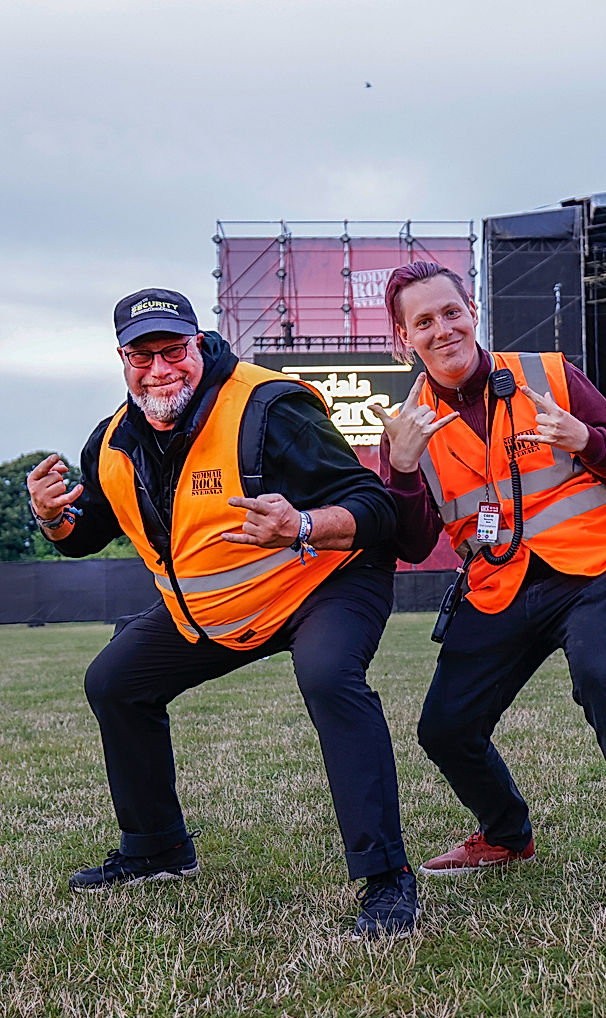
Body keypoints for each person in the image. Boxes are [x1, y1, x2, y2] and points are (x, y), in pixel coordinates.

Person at [26, 287, 417, 938]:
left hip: (325, 578)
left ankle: (387, 880)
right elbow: (89, 528)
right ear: (121, 358)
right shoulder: (113, 442)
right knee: (114, 684)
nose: (159, 369)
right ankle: (157, 849)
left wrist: (303, 524)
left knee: (328, 677)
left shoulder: (271, 409)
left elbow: (378, 510)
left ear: (199, 344)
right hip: (221, 606)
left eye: (173, 350)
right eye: (141, 354)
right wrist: (52, 518)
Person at [368, 260, 606, 920]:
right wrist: (400, 470)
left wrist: (585, 438)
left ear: (473, 312)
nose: (442, 329)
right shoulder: (407, 426)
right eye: (423, 322)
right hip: (497, 587)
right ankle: (506, 835)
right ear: (403, 338)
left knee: (602, 677)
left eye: (450, 312)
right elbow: (408, 541)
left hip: (594, 565)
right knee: (444, 729)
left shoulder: (546, 374)